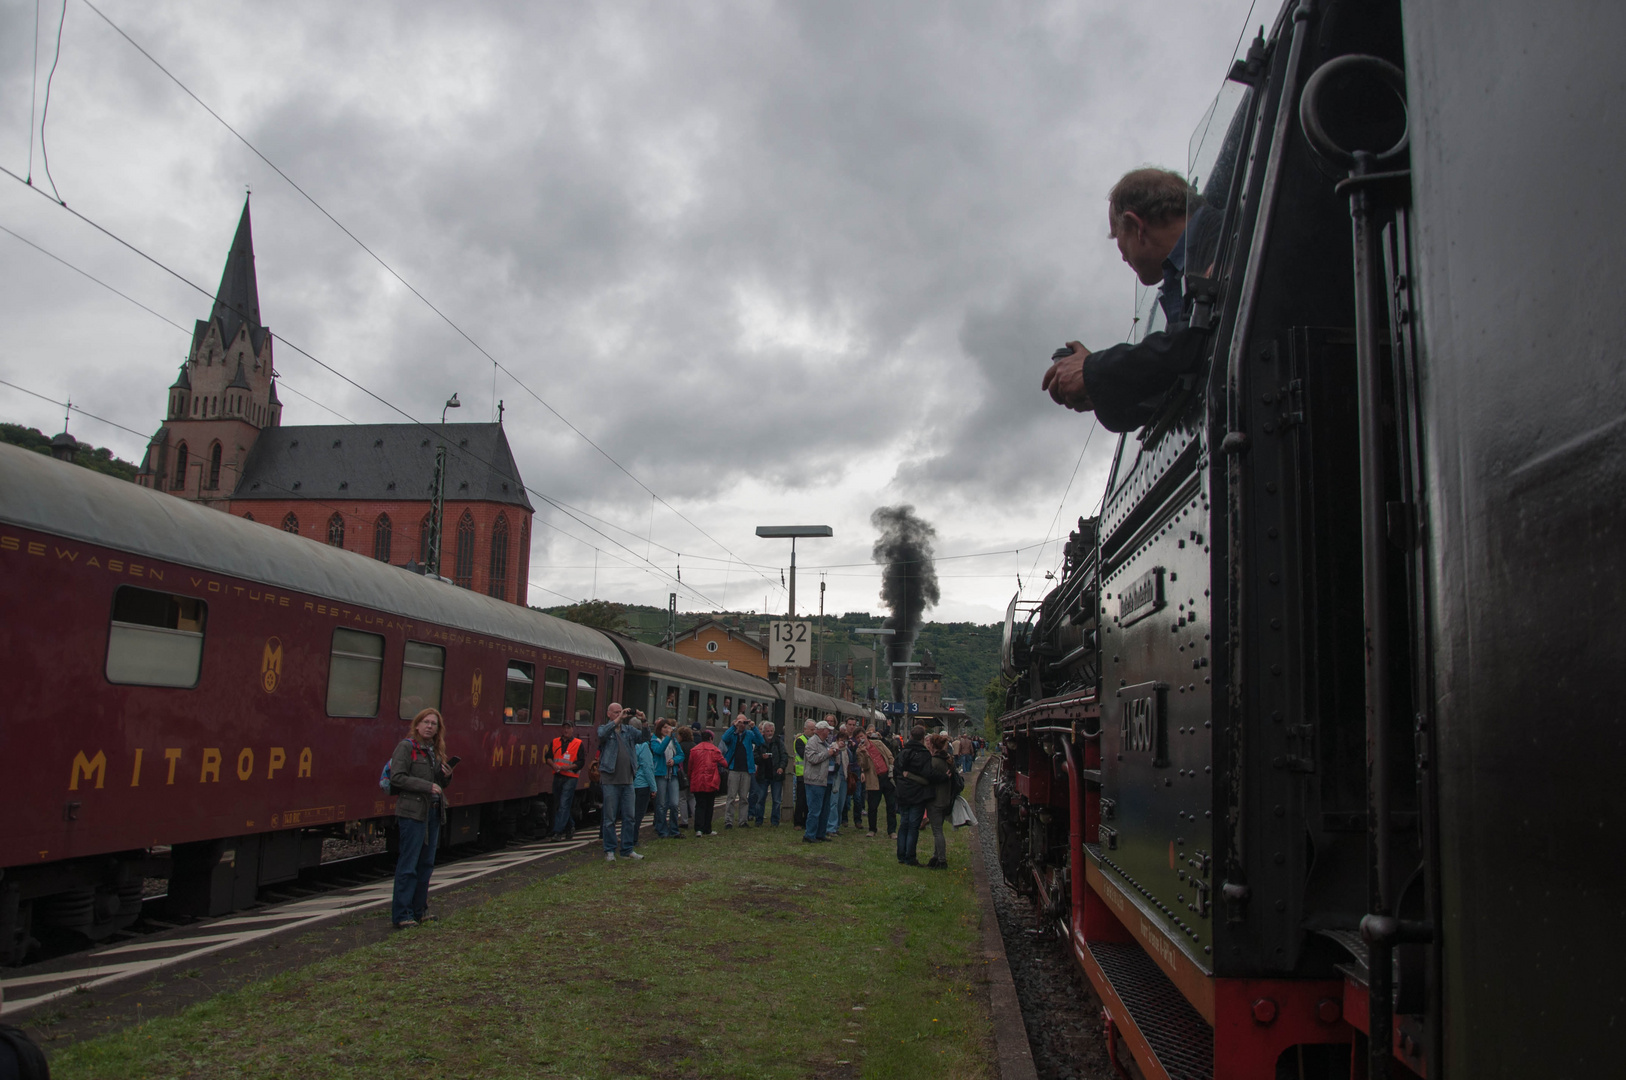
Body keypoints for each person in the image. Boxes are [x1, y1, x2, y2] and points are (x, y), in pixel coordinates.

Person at [1041, 167, 1209, 434]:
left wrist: (1092, 370)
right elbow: (1178, 375)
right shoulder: (1187, 267)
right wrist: (1098, 388)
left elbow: (1191, 344)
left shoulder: (1218, 244)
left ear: (1136, 226)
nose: (1122, 257)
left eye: (1120, 241)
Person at [390, 708, 456, 928]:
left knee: (426, 864)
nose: (430, 726)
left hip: (433, 811)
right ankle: (402, 914)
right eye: (426, 722)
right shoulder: (406, 747)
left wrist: (446, 776)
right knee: (408, 865)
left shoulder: (434, 751)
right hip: (413, 812)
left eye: (434, 724)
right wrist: (427, 786)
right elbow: (397, 778)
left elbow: (439, 783)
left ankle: (419, 910)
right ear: (417, 725)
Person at [597, 703, 648, 862]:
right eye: (616, 712)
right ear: (609, 714)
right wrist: (618, 720)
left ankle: (627, 849)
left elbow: (645, 738)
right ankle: (610, 850)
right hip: (610, 780)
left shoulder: (629, 731)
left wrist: (644, 722)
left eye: (621, 711)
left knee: (629, 817)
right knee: (610, 817)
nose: (620, 714)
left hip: (628, 780)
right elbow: (601, 735)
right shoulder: (605, 729)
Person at [893, 725, 934, 867]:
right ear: (923, 738)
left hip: (903, 792)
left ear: (910, 736)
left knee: (903, 823)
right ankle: (910, 856)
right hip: (918, 793)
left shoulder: (904, 752)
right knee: (913, 826)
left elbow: (896, 769)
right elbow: (928, 774)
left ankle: (901, 854)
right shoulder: (924, 754)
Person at [545, 711, 586, 840]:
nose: (566, 730)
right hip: (557, 776)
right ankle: (570, 827)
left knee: (564, 803)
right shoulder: (555, 742)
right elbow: (548, 757)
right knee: (560, 803)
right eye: (564, 728)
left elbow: (580, 762)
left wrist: (568, 767)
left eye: (568, 728)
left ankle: (558, 832)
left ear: (573, 729)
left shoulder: (578, 744)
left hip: (570, 777)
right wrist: (554, 765)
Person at [720, 713, 763, 828]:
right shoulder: (732, 734)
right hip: (734, 769)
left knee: (744, 797)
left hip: (746, 769)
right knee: (731, 796)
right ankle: (728, 821)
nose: (742, 725)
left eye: (744, 722)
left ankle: (742, 821)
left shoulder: (749, 734)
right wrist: (734, 727)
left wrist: (754, 727)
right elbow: (724, 738)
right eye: (740, 722)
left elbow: (760, 741)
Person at [924, 734, 956, 870]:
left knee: (937, 831)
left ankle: (941, 859)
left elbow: (927, 777)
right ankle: (936, 856)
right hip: (946, 799)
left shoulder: (934, 762)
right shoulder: (948, 760)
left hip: (936, 799)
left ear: (933, 745)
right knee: (939, 829)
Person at [686, 729, 726, 835]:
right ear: (711, 738)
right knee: (709, 805)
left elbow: (690, 767)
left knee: (699, 804)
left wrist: (691, 778)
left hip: (697, 780)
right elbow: (724, 763)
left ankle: (698, 829)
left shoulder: (694, 750)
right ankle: (707, 828)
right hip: (711, 781)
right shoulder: (715, 750)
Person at [650, 719, 685, 839]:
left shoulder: (674, 741)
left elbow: (681, 755)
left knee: (674, 803)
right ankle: (662, 830)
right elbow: (659, 751)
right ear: (659, 729)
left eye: (668, 727)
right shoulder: (655, 740)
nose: (667, 729)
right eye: (664, 727)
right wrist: (667, 738)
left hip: (672, 774)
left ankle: (674, 829)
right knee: (661, 804)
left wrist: (674, 761)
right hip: (660, 775)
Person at [859, 728, 896, 838]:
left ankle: (892, 830)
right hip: (874, 780)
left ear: (866, 736)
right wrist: (865, 753)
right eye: (858, 738)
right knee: (872, 806)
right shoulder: (859, 751)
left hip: (886, 777)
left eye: (862, 736)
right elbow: (864, 766)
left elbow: (889, 755)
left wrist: (891, 769)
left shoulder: (878, 744)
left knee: (891, 805)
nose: (861, 739)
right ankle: (872, 829)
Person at [801, 721, 835, 843]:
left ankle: (820, 833)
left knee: (824, 810)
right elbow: (812, 759)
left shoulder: (825, 743)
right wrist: (828, 753)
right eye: (827, 730)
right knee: (814, 810)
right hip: (814, 781)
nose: (829, 732)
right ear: (821, 730)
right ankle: (809, 835)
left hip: (824, 780)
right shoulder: (812, 742)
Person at [751, 720, 787, 825]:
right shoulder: (759, 742)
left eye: (771, 731)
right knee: (760, 799)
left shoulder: (778, 742)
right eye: (767, 731)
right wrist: (762, 758)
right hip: (763, 775)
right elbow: (754, 757)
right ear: (763, 732)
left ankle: (775, 821)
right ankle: (759, 820)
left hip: (776, 775)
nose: (770, 733)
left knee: (776, 800)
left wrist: (781, 767)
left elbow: (784, 756)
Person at [632, 713, 657, 849]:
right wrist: (653, 787)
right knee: (638, 815)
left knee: (628, 814)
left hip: (630, 783)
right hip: (642, 784)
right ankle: (634, 840)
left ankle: (627, 838)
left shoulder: (628, 744)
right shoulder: (643, 747)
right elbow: (648, 767)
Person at [824, 715, 848, 838]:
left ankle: (836, 826)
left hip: (844, 776)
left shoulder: (847, 750)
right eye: (841, 739)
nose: (843, 742)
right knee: (833, 802)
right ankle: (831, 827)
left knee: (840, 803)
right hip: (835, 776)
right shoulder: (834, 747)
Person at [793, 719, 814, 827]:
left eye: (814, 729)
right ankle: (797, 821)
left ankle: (806, 820)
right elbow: (803, 755)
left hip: (811, 774)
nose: (813, 731)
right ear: (805, 729)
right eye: (811, 729)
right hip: (801, 773)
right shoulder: (800, 740)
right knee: (801, 799)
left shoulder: (814, 740)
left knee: (808, 800)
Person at [675, 724, 696, 829]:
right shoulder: (694, 745)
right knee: (692, 798)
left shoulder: (679, 746)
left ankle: (684, 821)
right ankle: (697, 818)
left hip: (682, 775)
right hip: (693, 775)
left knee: (682, 799)